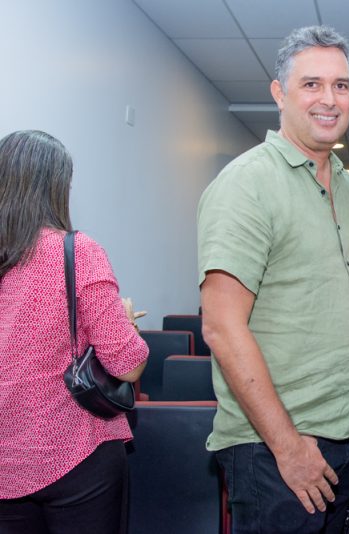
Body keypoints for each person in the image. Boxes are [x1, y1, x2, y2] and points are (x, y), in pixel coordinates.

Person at [197, 26, 349, 532]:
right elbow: (222, 327)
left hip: (344, 435)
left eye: (341, 85)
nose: (329, 99)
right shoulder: (247, 183)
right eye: (311, 84)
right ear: (279, 93)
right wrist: (288, 446)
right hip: (276, 449)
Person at [0, 130, 148, 532]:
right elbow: (128, 365)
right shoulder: (77, 251)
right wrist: (126, 323)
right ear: (56, 187)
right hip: (77, 454)